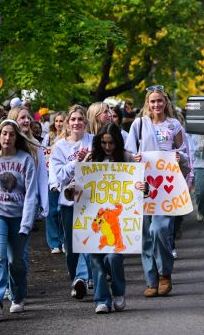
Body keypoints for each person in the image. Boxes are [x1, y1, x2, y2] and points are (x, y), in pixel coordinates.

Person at [125, 86, 191, 298]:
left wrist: (180, 158)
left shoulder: (174, 125)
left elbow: (185, 153)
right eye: (152, 101)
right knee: (145, 233)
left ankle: (165, 273)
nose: (156, 105)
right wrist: (133, 158)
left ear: (166, 102)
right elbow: (127, 152)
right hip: (143, 184)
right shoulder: (139, 124)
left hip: (166, 186)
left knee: (160, 230)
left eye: (160, 101)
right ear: (147, 103)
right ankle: (151, 280)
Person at [0, 119, 39, 321]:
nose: (7, 137)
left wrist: (27, 223)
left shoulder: (25, 160)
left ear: (16, 137)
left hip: (19, 217)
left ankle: (18, 295)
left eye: (11, 134)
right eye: (4, 133)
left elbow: (32, 195)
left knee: (16, 261)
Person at [86, 123, 141, 313]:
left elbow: (142, 184)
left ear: (117, 142)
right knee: (96, 259)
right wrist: (71, 189)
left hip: (118, 218)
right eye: (103, 143)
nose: (107, 148)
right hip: (94, 216)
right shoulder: (92, 158)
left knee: (113, 257)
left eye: (111, 143)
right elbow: (78, 181)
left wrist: (144, 188)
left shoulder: (127, 158)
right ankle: (101, 299)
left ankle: (118, 291)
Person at [50, 105, 93, 299]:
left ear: (85, 122)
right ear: (68, 123)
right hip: (68, 202)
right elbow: (58, 175)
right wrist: (76, 162)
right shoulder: (60, 146)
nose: (77, 123)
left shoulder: (93, 141)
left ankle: (83, 278)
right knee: (72, 246)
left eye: (80, 119)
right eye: (73, 119)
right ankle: (75, 279)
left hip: (91, 200)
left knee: (88, 242)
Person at [42, 111, 65, 254]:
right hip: (49, 175)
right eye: (56, 121)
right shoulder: (48, 137)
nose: (58, 124)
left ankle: (64, 240)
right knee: (51, 211)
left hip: (64, 176)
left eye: (61, 121)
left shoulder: (69, 138)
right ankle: (54, 242)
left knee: (62, 210)